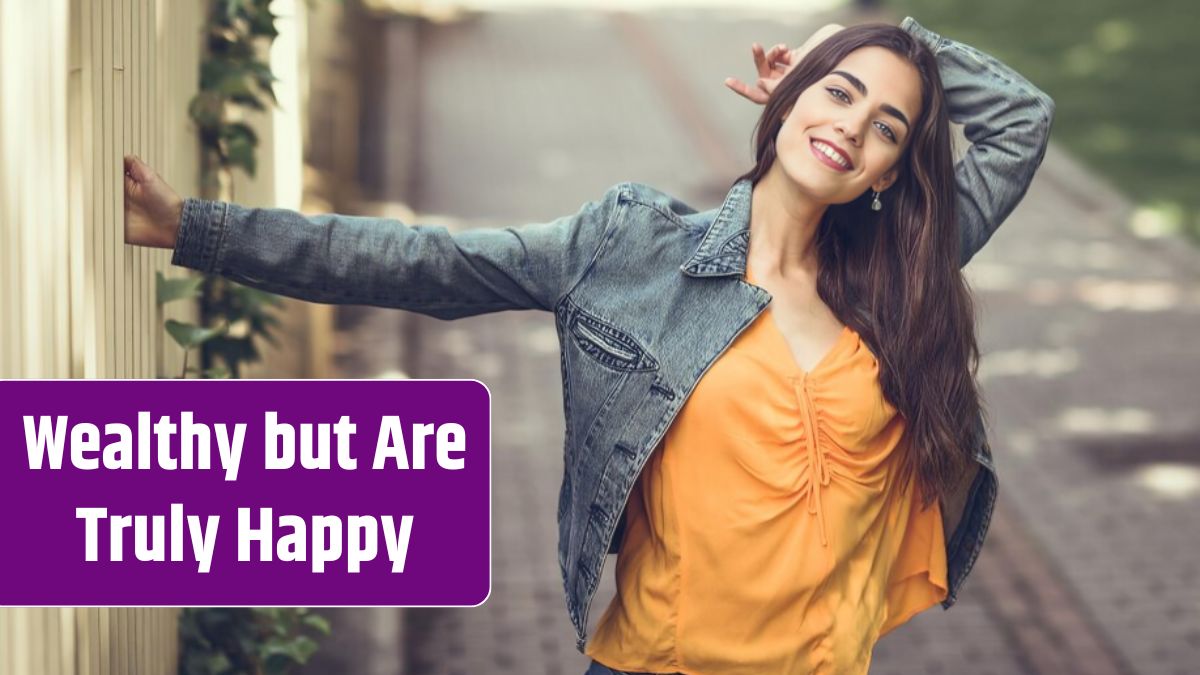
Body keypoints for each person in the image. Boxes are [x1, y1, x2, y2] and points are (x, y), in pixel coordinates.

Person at [125, 16, 1054, 675]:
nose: (851, 125)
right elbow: (425, 263)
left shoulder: (901, 279)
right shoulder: (633, 249)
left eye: (885, 126)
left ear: (894, 171)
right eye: (838, 93)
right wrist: (195, 229)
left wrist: (888, 41)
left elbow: (1022, 120)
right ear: (787, 100)